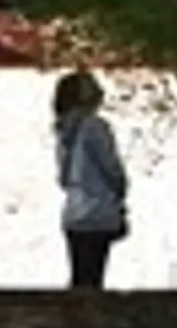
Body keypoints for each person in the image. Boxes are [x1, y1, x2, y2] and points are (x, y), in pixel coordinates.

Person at [51, 69, 129, 289]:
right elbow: (112, 169)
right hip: (99, 210)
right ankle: (88, 321)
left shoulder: (63, 130)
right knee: (94, 277)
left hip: (74, 212)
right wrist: (121, 190)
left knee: (79, 276)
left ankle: (74, 318)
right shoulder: (95, 127)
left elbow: (63, 179)